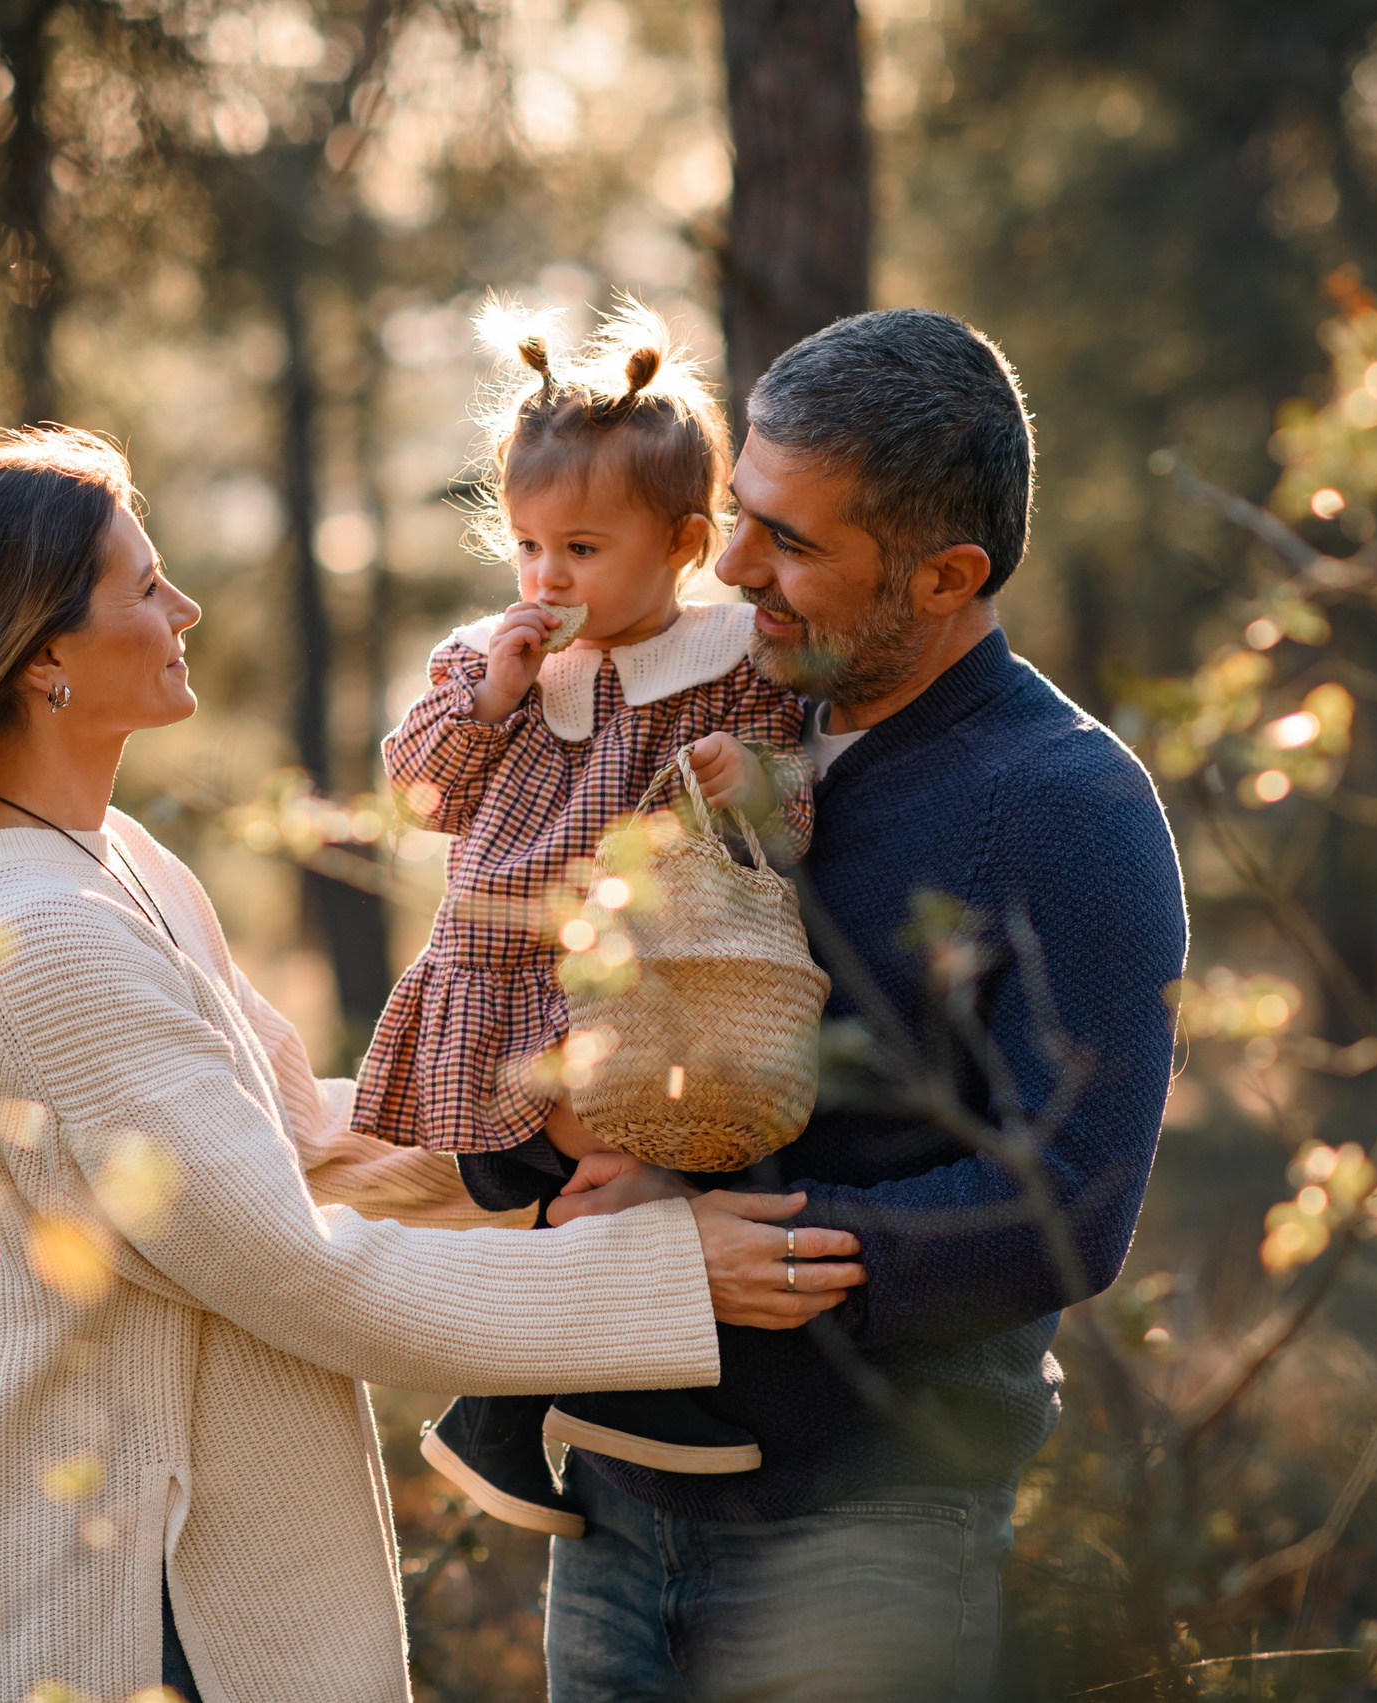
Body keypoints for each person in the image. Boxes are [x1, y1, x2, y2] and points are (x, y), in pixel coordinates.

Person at [0, 427, 867, 1703]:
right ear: (46, 654)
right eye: (145, 586)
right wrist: (665, 1273)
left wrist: (546, 1152)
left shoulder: (114, 862)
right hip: (137, 1613)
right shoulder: (40, 937)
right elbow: (297, 1265)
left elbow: (295, 1138)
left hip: (195, 1580)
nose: (185, 606)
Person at [478, 309, 1190, 1701]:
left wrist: (746, 1255)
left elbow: (1071, 1196)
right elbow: (533, 1062)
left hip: (869, 1528)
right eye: (740, 512)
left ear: (946, 575)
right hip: (613, 1503)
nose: (732, 568)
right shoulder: (677, 729)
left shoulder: (1068, 806)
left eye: (792, 543)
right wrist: (539, 1125)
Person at [353, 303, 818, 1537]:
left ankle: (518, 1413)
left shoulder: (732, 664)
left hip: (651, 981)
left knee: (649, 1165)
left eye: (581, 549)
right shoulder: (490, 659)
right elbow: (417, 796)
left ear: (681, 544)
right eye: (526, 546)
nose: (546, 580)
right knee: (623, 1170)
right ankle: (579, 1400)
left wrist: (750, 781)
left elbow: (789, 823)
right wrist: (495, 699)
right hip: (507, 982)